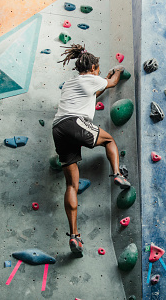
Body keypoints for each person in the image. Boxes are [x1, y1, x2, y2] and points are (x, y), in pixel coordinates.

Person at [52, 44, 130, 254]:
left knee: (71, 185)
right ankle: (117, 174)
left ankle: (75, 237)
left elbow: (93, 92)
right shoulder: (93, 78)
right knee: (109, 140)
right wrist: (118, 70)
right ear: (94, 67)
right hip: (74, 122)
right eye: (98, 69)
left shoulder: (71, 83)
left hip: (58, 128)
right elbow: (112, 82)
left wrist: (101, 81)